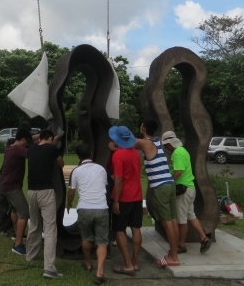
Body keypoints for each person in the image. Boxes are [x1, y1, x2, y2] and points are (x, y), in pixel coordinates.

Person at [135, 121, 180, 267]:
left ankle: (173, 257)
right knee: (173, 221)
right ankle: (174, 253)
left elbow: (127, 141)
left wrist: (113, 144)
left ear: (144, 128)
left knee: (167, 223)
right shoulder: (158, 141)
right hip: (170, 184)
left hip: (160, 186)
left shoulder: (145, 143)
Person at [161, 131, 212, 254]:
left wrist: (169, 181)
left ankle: (181, 245)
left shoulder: (177, 153)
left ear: (169, 143)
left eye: (166, 145)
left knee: (181, 220)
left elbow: (178, 171)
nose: (166, 147)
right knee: (191, 215)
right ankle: (203, 237)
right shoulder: (183, 151)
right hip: (190, 187)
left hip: (182, 189)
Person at [67, 143, 109, 285]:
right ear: (91, 153)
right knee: (102, 241)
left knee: (86, 237)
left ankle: (88, 263)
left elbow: (71, 191)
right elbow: (104, 186)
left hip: (84, 208)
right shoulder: (101, 169)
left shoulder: (76, 171)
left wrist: (68, 203)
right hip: (101, 208)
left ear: (78, 156)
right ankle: (100, 272)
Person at [25, 129, 64, 280]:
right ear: (50, 138)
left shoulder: (32, 148)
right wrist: (55, 141)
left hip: (31, 191)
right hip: (46, 192)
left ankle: (30, 255)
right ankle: (49, 268)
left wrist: (50, 138)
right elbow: (61, 164)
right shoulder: (52, 149)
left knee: (34, 224)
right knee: (49, 229)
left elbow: (34, 140)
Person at [108, 125, 143, 276]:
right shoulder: (135, 153)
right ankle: (134, 261)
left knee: (119, 229)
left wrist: (116, 200)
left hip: (124, 197)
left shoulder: (117, 156)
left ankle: (127, 264)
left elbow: (120, 179)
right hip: (137, 195)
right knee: (136, 228)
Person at [0, 127, 33, 255]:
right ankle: (18, 245)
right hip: (12, 188)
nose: (28, 145)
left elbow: (29, 140)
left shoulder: (10, 147)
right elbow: (32, 153)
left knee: (14, 210)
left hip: (5, 185)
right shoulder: (18, 150)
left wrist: (40, 136)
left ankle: (17, 234)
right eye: (27, 142)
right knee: (24, 212)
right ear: (23, 139)